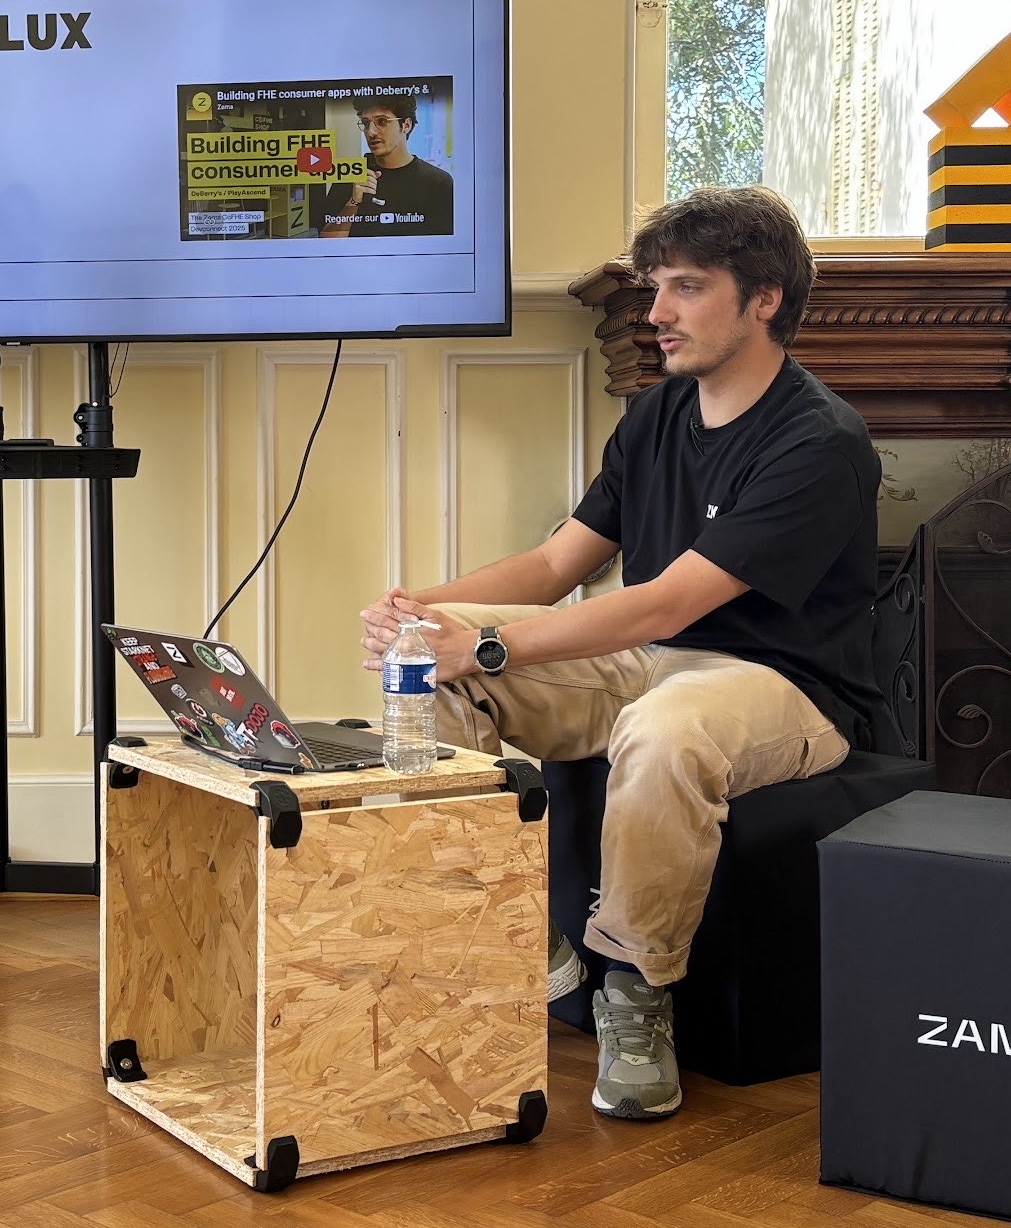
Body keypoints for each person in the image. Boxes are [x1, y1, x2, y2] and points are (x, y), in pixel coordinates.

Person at [357, 185, 884, 1121]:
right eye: (656, 286)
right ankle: (506, 924)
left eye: (687, 287)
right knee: (425, 664)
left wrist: (485, 645)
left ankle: (636, 993)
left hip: (785, 686)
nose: (657, 312)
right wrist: (419, 611)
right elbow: (555, 565)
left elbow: (668, 601)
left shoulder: (820, 441)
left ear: (764, 300)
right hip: (654, 659)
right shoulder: (656, 415)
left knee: (664, 729)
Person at [317, 94, 454, 236]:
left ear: (406, 125)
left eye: (382, 121)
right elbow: (325, 242)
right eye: (366, 123)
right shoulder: (351, 174)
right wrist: (353, 202)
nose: (370, 132)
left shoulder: (438, 183)